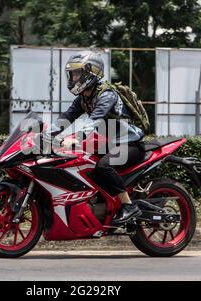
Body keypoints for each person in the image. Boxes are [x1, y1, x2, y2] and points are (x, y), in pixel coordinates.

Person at [51, 50, 146, 224]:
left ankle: (128, 206)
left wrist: (77, 137)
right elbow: (66, 117)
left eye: (77, 73)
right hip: (111, 144)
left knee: (103, 166)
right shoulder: (83, 98)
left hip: (130, 144)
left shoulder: (106, 94)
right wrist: (45, 134)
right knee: (85, 164)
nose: (73, 78)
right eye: (71, 74)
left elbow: (95, 119)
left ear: (90, 72)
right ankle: (103, 206)